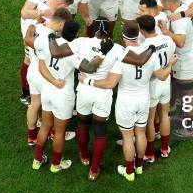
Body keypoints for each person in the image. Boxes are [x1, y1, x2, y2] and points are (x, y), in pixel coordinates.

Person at [47, 18, 155, 180]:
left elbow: (56, 51)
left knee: (83, 126)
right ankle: (94, 169)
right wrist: (151, 50)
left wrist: (50, 38)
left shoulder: (81, 42)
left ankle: (84, 156)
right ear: (109, 32)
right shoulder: (117, 49)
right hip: (103, 94)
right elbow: (139, 60)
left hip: (84, 91)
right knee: (100, 132)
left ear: (93, 30)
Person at [79, 22, 175, 182]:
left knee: (128, 136)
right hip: (144, 99)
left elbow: (110, 84)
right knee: (140, 133)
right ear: (138, 35)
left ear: (123, 37)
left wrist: (88, 81)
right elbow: (161, 76)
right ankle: (139, 166)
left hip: (126, 103)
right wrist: (171, 63)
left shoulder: (122, 57)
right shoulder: (150, 55)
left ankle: (129, 171)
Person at [32, 21, 103, 173]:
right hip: (63, 95)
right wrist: (101, 55)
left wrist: (52, 81)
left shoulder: (49, 43)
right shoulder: (71, 52)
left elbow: (41, 65)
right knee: (59, 132)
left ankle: (37, 160)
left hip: (48, 90)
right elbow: (89, 68)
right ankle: (55, 164)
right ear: (76, 35)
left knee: (45, 126)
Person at [18, 0, 70, 104]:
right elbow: (24, 12)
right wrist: (42, 12)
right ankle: (26, 92)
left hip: (37, 23)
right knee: (30, 60)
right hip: (30, 26)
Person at [23, 8, 72, 146]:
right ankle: (52, 133)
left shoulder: (36, 27)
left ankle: (31, 137)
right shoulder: (52, 38)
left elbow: (26, 41)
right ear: (61, 24)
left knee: (34, 104)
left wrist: (33, 24)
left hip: (31, 70)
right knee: (50, 107)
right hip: (44, 74)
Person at [158, 0, 193, 138]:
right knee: (181, 92)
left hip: (184, 60)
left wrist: (166, 32)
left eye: (163, 3)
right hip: (189, 53)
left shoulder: (178, 20)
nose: (162, 5)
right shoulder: (184, 9)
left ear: (169, 3)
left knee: (187, 95)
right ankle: (183, 118)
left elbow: (180, 42)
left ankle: (190, 129)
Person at [136, 15, 177, 161]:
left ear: (141, 30)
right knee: (165, 115)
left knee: (150, 120)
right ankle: (165, 149)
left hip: (152, 85)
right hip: (165, 84)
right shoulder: (167, 39)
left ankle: (150, 153)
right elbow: (172, 56)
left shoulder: (144, 47)